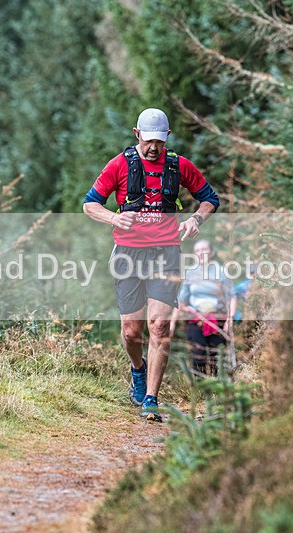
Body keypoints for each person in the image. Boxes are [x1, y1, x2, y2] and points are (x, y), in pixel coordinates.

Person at [83, 108, 220, 422]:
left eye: (159, 141)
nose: (153, 147)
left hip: (166, 253)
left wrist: (196, 219)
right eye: (148, 141)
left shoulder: (178, 165)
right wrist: (114, 217)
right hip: (128, 255)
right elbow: (89, 204)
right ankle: (138, 369)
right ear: (137, 135)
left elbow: (210, 198)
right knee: (132, 332)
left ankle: (151, 400)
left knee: (159, 327)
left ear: (167, 137)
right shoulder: (120, 165)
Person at [170, 239, 237, 377]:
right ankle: (199, 391)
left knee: (216, 356)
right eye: (197, 251)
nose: (201, 253)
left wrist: (230, 319)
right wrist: (172, 322)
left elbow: (232, 296)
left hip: (217, 319)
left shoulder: (221, 271)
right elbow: (181, 300)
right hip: (196, 320)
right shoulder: (190, 273)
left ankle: (217, 390)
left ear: (211, 252)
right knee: (197, 356)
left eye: (204, 249)